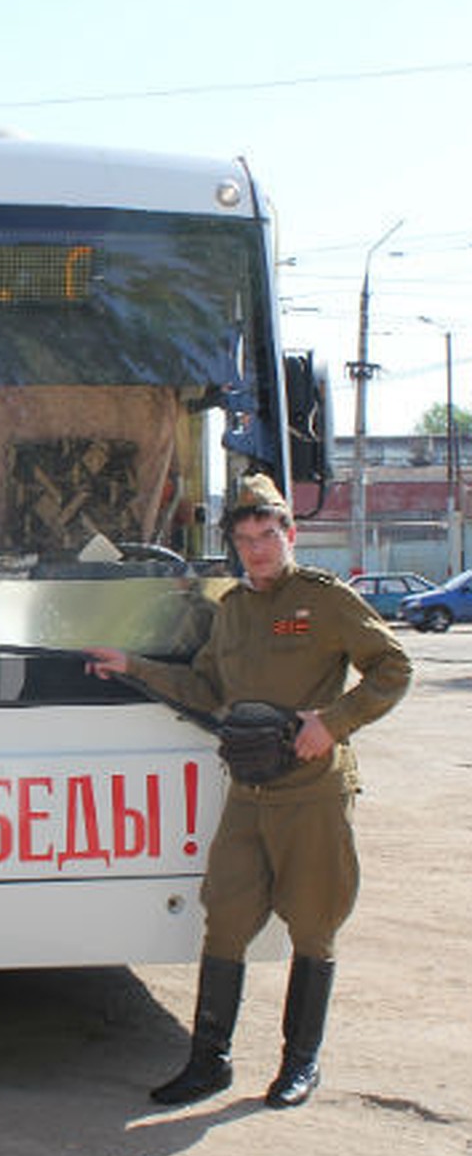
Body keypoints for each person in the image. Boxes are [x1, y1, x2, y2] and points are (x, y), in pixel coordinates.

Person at [85, 472, 410, 1110]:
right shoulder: (232, 609)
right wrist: (134, 667)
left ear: (291, 536)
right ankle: (209, 1063)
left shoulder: (325, 600)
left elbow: (394, 667)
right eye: (245, 539)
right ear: (233, 545)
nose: (258, 549)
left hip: (312, 793)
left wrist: (333, 723)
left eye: (268, 535)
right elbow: (208, 691)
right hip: (249, 794)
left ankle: (299, 1065)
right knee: (226, 921)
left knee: (315, 926)